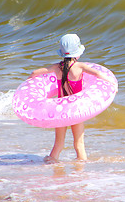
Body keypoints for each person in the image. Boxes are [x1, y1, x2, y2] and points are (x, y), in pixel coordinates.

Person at [29, 34, 116, 163]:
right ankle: (80, 170)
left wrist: (29, 85)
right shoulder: (80, 67)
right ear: (77, 52)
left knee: (58, 145)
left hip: (60, 110)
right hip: (75, 110)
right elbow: (98, 74)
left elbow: (34, 73)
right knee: (79, 143)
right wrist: (113, 84)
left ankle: (51, 164)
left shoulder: (56, 67)